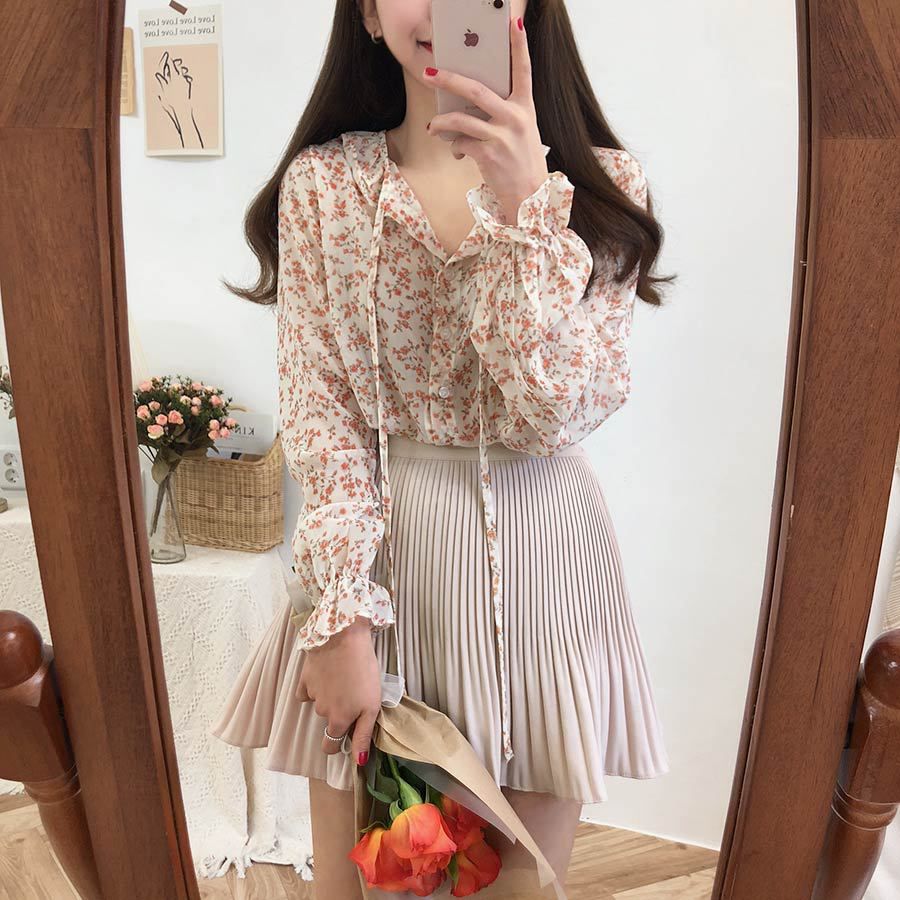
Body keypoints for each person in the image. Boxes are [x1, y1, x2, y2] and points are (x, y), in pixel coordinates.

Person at [212, 1, 675, 896]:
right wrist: (339, 613)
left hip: (542, 567)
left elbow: (553, 414)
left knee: (514, 884)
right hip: (380, 563)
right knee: (364, 882)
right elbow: (321, 411)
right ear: (367, 9)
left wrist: (526, 205)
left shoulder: (600, 189)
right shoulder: (325, 187)